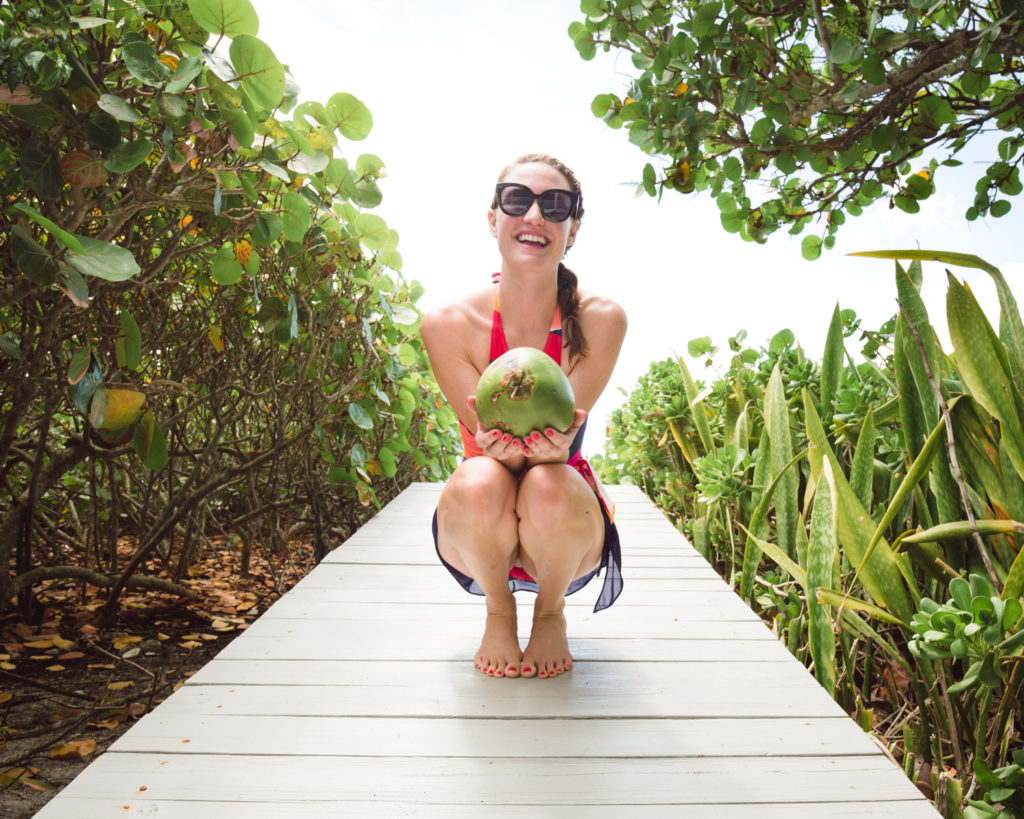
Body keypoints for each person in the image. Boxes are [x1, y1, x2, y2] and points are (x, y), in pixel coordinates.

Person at [420, 153, 627, 680]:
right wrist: (501, 449)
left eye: (554, 205)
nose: (535, 215)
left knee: (547, 484)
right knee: (480, 477)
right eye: (517, 199)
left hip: (561, 528)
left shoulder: (601, 319)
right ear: (493, 219)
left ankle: (550, 611)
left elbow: (559, 441)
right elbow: (485, 437)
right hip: (479, 525)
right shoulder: (448, 324)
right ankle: (499, 609)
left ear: (572, 229)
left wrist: (553, 450)